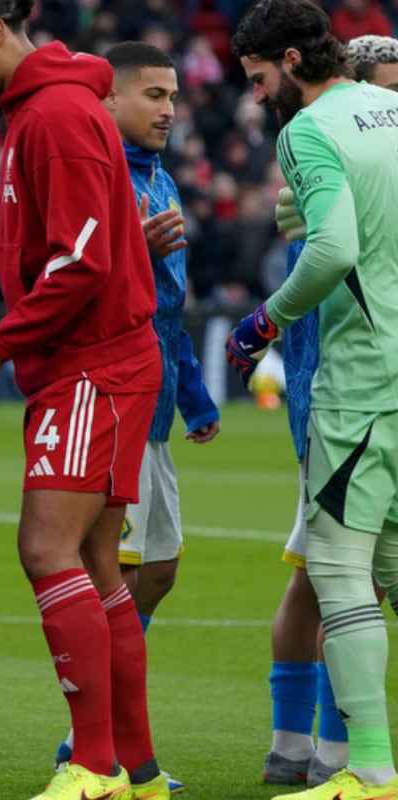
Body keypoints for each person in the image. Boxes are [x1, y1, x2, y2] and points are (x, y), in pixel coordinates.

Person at [0, 2, 164, 799]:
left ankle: (93, 767)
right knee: (95, 561)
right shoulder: (41, 109)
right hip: (100, 361)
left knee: (46, 550)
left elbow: (82, 260)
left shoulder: (54, 113)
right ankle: (139, 770)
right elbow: (44, 232)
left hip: (93, 364)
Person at [227, 2, 398, 799]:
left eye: (260, 77)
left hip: (363, 379)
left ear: (291, 60)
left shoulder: (309, 131)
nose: (259, 94)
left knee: (336, 565)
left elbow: (332, 249)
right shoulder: (394, 108)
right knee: (393, 566)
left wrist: (264, 321)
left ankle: (366, 769)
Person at [48, 41, 222, 794]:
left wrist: (193, 394)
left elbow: (168, 305)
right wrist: (131, 249)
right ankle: (93, 741)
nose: (169, 110)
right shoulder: (100, 175)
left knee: (158, 572)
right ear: (108, 99)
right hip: (109, 400)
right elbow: (66, 280)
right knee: (109, 574)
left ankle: (106, 727)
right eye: (153, 95)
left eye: (175, 97)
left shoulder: (158, 180)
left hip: (152, 401)